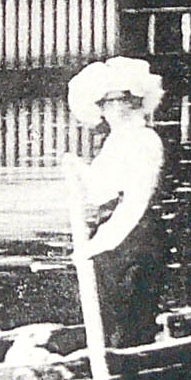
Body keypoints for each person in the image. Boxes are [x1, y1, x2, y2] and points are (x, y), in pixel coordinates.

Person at [61, 56, 167, 349]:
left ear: (136, 102)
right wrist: (77, 169)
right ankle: (112, 357)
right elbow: (99, 190)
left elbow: (135, 205)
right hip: (112, 243)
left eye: (122, 100)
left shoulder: (145, 141)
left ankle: (130, 373)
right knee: (107, 318)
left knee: (130, 323)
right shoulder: (115, 142)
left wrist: (95, 246)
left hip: (136, 242)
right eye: (107, 103)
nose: (113, 109)